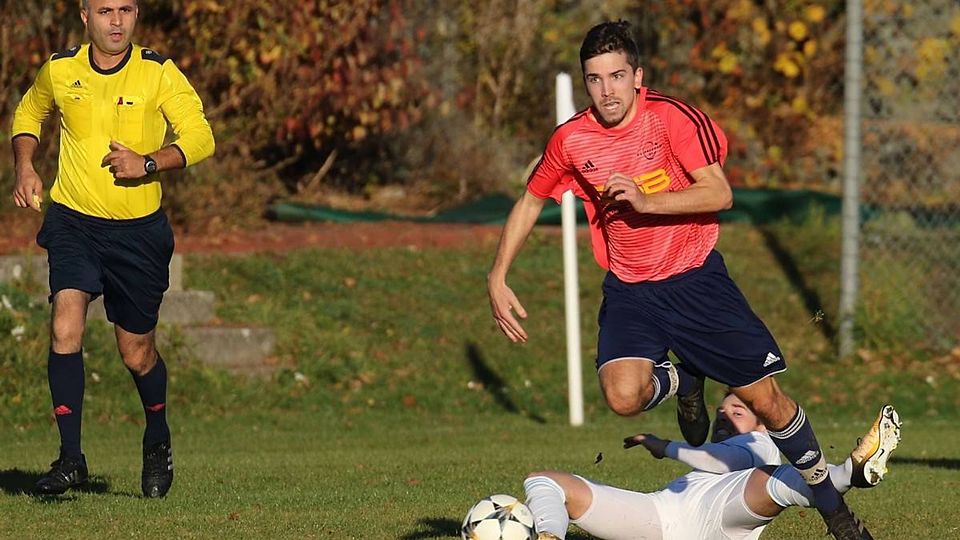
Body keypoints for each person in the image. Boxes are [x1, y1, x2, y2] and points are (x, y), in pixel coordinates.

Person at [487, 20, 870, 538]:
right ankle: (682, 376)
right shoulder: (572, 139)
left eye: (617, 76)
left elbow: (720, 193)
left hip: (696, 283)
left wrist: (648, 201)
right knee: (622, 396)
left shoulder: (671, 120)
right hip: (630, 290)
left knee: (768, 404)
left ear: (638, 76)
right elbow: (532, 198)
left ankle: (837, 516)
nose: (607, 90)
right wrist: (498, 274)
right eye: (595, 79)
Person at [11, 0, 214, 498]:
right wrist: (25, 165)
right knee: (65, 321)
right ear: (85, 16)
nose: (116, 21)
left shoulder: (158, 72)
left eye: (125, 10)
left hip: (138, 234)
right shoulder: (60, 70)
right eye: (105, 11)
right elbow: (28, 113)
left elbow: (201, 137)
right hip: (73, 222)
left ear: (137, 15)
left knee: (136, 352)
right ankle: (71, 457)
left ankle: (158, 437)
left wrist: (148, 163)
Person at [523, 396, 901, 539]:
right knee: (544, 480)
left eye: (737, 411)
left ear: (763, 422)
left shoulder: (759, 442)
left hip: (718, 518)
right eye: (721, 411)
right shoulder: (739, 443)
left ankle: (850, 471)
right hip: (661, 516)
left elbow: (716, 460)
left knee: (776, 477)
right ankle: (549, 534)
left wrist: (666, 447)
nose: (724, 416)